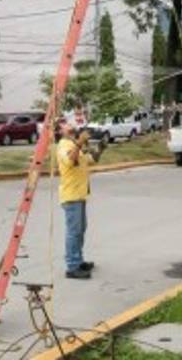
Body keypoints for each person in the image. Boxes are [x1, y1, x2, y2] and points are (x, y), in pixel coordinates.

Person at [56, 118, 105, 279]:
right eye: (64, 124)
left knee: (80, 230)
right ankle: (72, 266)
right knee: (73, 231)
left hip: (80, 194)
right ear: (60, 131)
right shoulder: (63, 145)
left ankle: (78, 260)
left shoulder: (73, 144)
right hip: (71, 195)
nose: (69, 124)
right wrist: (79, 142)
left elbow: (90, 160)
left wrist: (100, 148)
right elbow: (70, 160)